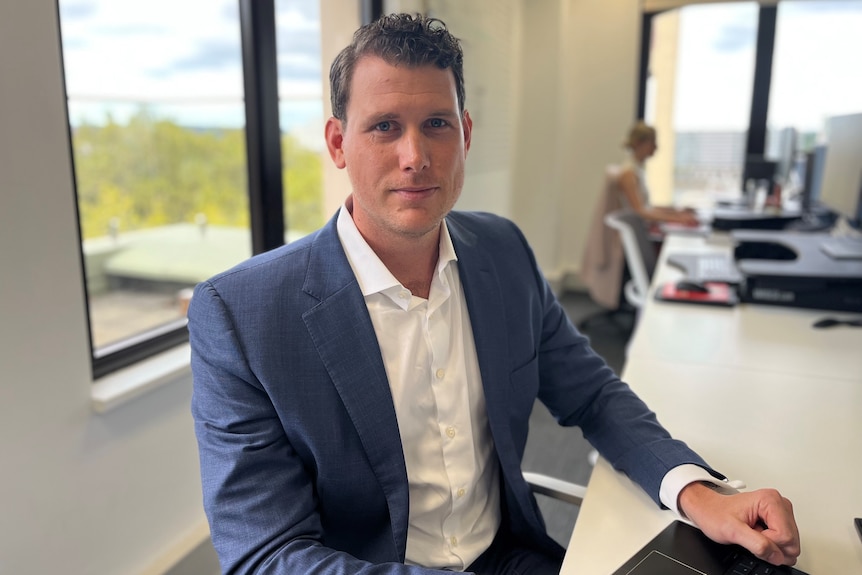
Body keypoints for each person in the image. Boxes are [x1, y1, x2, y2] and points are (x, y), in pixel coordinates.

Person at [188, 13, 800, 575]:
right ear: (338, 142)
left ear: (466, 133)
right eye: (383, 128)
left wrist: (697, 495)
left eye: (437, 125)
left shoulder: (502, 252)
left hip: (507, 557)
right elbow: (266, 553)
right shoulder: (242, 316)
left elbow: (591, 395)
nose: (415, 157)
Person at [618, 121, 699, 226]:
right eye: (652, 142)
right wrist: (677, 219)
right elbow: (640, 211)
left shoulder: (637, 170)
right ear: (638, 143)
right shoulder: (628, 173)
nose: (656, 147)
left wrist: (676, 212)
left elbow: (646, 207)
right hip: (641, 230)